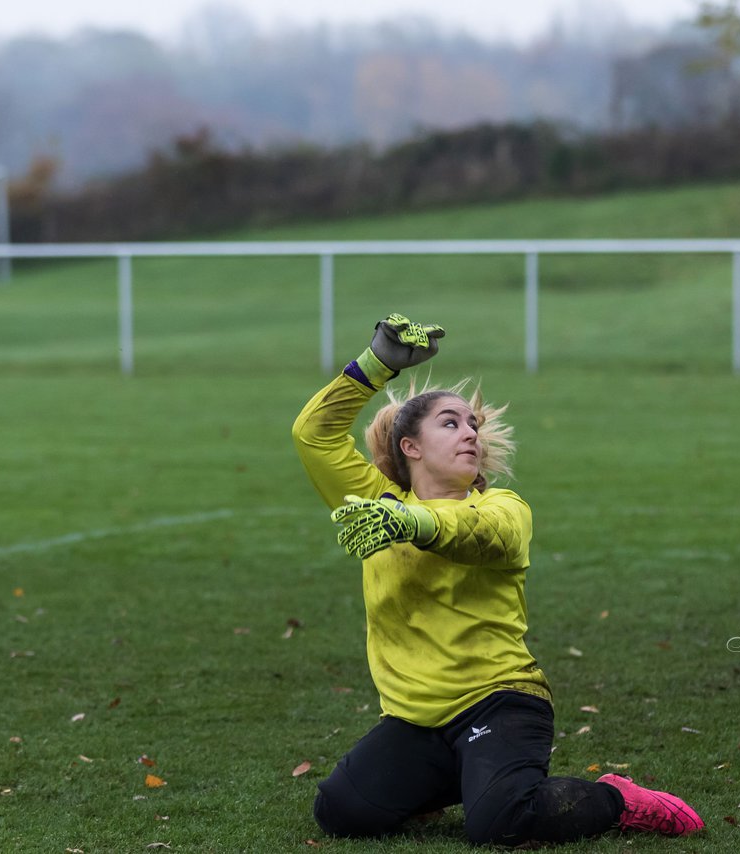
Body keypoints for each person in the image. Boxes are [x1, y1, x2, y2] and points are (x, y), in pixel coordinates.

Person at [291, 313, 704, 846]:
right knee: (341, 811)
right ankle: (454, 779)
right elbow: (314, 434)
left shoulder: (503, 507)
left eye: (472, 425)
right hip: (416, 719)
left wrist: (409, 522)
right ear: (410, 447)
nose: (469, 433)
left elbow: (480, 535)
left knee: (500, 823)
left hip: (501, 700)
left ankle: (617, 798)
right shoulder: (378, 504)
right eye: (450, 423)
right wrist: (376, 365)